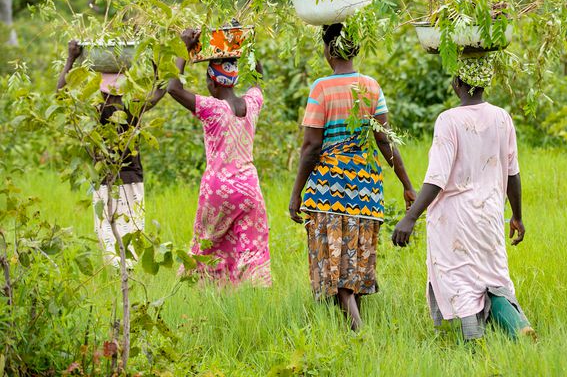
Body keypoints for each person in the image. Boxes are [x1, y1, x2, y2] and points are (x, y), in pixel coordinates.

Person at [391, 54, 535, 342]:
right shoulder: (501, 117)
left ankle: (475, 346)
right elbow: (512, 173)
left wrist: (409, 218)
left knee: (462, 282)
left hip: (455, 220)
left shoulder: (449, 120)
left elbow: (436, 179)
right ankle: (519, 328)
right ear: (484, 83)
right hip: (490, 215)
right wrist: (516, 216)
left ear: (457, 82)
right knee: (493, 277)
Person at [288, 23, 416, 331]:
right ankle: (352, 325)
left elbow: (311, 146)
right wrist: (407, 184)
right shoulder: (371, 86)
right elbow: (384, 140)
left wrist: (296, 193)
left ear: (328, 50)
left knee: (336, 263)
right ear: (355, 48)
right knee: (355, 258)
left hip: (329, 189)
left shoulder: (321, 88)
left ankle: (358, 333)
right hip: (365, 187)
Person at [167, 28, 271, 286]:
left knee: (205, 249)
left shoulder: (212, 108)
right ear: (234, 81)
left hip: (218, 190)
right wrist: (246, 45)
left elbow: (172, 87)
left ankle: (199, 294)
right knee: (253, 252)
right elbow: (258, 78)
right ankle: (255, 297)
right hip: (249, 189)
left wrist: (183, 49)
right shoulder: (252, 104)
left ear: (213, 83)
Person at [57, 40, 166, 268]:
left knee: (106, 232)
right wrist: (156, 64)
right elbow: (160, 91)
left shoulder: (95, 107)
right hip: (131, 178)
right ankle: (129, 276)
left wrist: (71, 59)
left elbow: (61, 94)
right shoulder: (133, 104)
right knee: (133, 230)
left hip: (103, 179)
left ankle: (119, 274)